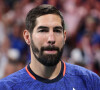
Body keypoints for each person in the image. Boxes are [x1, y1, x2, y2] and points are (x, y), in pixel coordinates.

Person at [0, 4, 100, 90]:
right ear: (27, 37)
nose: (51, 39)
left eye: (57, 31)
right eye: (43, 31)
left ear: (64, 36)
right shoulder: (7, 87)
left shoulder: (90, 81)